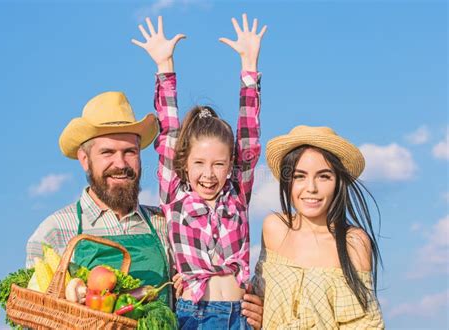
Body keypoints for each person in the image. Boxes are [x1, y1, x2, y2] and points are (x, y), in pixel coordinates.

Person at [131, 14, 266, 329]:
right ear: (184, 164)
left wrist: (249, 65)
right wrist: (165, 66)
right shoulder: (175, 195)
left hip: (241, 316)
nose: (209, 174)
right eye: (199, 164)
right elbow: (168, 133)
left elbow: (249, 134)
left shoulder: (237, 192)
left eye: (219, 164)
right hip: (196, 315)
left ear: (231, 163)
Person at [24, 91, 178, 303]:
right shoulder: (53, 232)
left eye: (130, 152)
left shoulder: (164, 224)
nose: (121, 164)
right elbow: (34, 315)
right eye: (107, 152)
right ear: (85, 159)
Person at [253, 125, 385, 329]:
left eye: (324, 176)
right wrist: (253, 309)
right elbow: (260, 298)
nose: (311, 188)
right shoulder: (274, 228)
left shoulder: (354, 242)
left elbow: (366, 324)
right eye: (300, 176)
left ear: (338, 182)